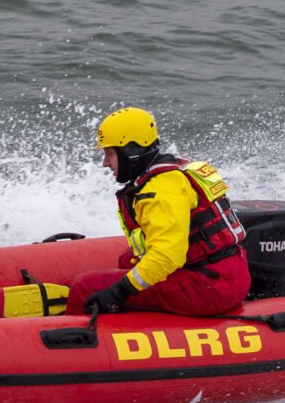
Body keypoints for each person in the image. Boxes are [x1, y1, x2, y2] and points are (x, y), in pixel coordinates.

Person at [67, 107, 252, 318]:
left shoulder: (160, 190)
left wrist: (117, 292)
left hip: (210, 287)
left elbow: (167, 257)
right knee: (127, 261)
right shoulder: (174, 170)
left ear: (131, 152)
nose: (105, 163)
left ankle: (72, 339)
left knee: (86, 287)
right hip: (227, 272)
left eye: (109, 153)